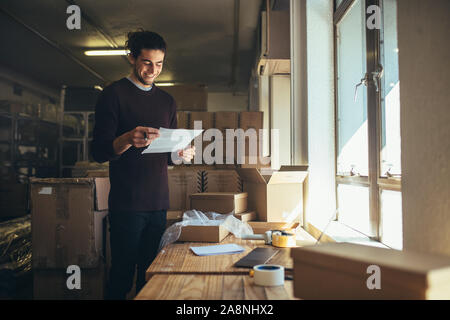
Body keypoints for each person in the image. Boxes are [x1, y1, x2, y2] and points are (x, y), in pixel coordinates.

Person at [91, 30, 195, 300]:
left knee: (151, 276)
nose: (153, 70)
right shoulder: (113, 95)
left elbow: (168, 155)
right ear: (132, 58)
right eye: (147, 62)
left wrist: (181, 153)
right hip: (127, 203)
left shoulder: (167, 101)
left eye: (159, 64)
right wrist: (126, 138)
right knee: (122, 276)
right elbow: (99, 151)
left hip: (158, 202)